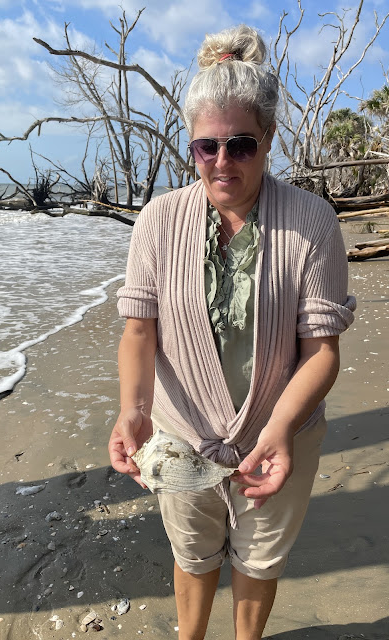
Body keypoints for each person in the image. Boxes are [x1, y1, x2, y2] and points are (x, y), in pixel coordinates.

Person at [108, 24, 356, 640]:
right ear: (190, 146)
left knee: (260, 557)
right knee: (192, 554)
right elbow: (139, 331)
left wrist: (275, 431)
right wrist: (132, 411)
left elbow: (322, 352)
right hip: (180, 430)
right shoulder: (159, 220)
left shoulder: (312, 220)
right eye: (206, 147)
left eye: (241, 145)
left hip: (280, 428)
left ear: (268, 138)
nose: (222, 162)